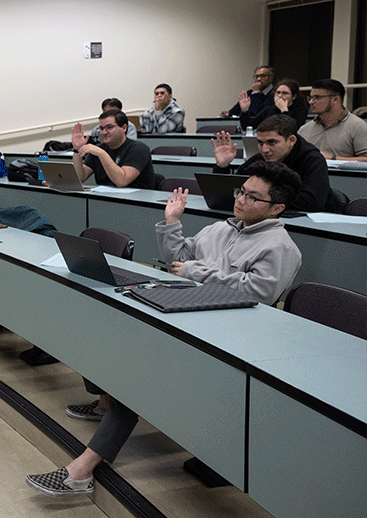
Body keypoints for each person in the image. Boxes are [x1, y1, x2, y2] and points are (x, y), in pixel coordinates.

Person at [28, 161, 302, 497]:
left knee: (140, 373)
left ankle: (82, 469)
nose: (241, 200)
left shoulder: (281, 247)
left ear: (277, 208)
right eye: (240, 191)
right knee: (101, 326)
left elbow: (257, 292)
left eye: (252, 197)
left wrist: (194, 271)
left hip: (228, 339)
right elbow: (178, 258)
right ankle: (104, 404)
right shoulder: (222, 228)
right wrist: (172, 223)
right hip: (186, 314)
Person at [212, 114, 333, 212]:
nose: (264, 149)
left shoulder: (313, 160)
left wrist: (264, 200)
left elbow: (312, 202)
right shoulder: (260, 158)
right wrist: (222, 167)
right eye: (260, 143)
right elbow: (233, 190)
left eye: (272, 142)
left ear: (291, 140)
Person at [72, 109, 157, 189]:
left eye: (109, 127)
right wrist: (77, 150)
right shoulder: (99, 149)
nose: (104, 132)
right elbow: (81, 177)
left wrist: (102, 154)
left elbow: (121, 181)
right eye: (101, 128)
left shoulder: (139, 149)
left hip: (136, 201)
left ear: (124, 128)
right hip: (106, 199)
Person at [298, 79, 367, 162]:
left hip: (341, 174)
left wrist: (332, 159)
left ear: (335, 100)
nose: (311, 102)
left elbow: (365, 159)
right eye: (310, 97)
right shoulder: (304, 130)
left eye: (317, 97)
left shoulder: (358, 126)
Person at [239, 78, 308, 131]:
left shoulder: (300, 110)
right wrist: (244, 111)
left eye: (285, 93)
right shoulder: (269, 110)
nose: (280, 96)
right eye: (278, 92)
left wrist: (284, 110)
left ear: (294, 96)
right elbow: (247, 126)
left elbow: (292, 129)